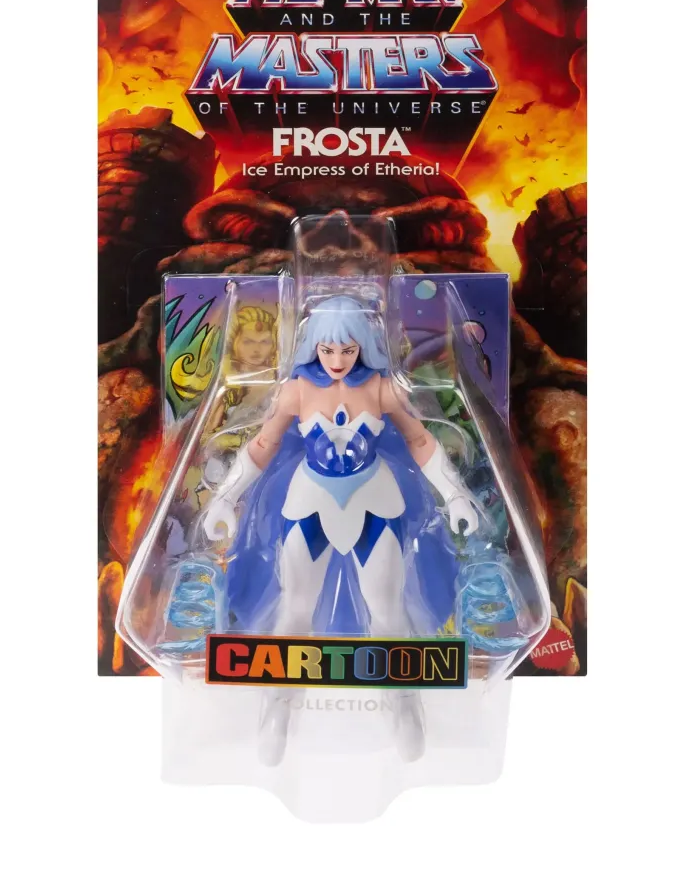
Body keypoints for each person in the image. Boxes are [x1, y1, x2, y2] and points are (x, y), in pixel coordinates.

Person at [202, 294, 479, 763]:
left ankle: (403, 703)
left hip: (375, 504)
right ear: (313, 345)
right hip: (310, 503)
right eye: (327, 349)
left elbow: (420, 439)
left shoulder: (382, 389)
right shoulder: (296, 391)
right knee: (295, 607)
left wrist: (454, 494)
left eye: (347, 350)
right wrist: (225, 497)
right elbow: (263, 444)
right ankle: (279, 709)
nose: (336, 360)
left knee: (387, 610)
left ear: (363, 346)